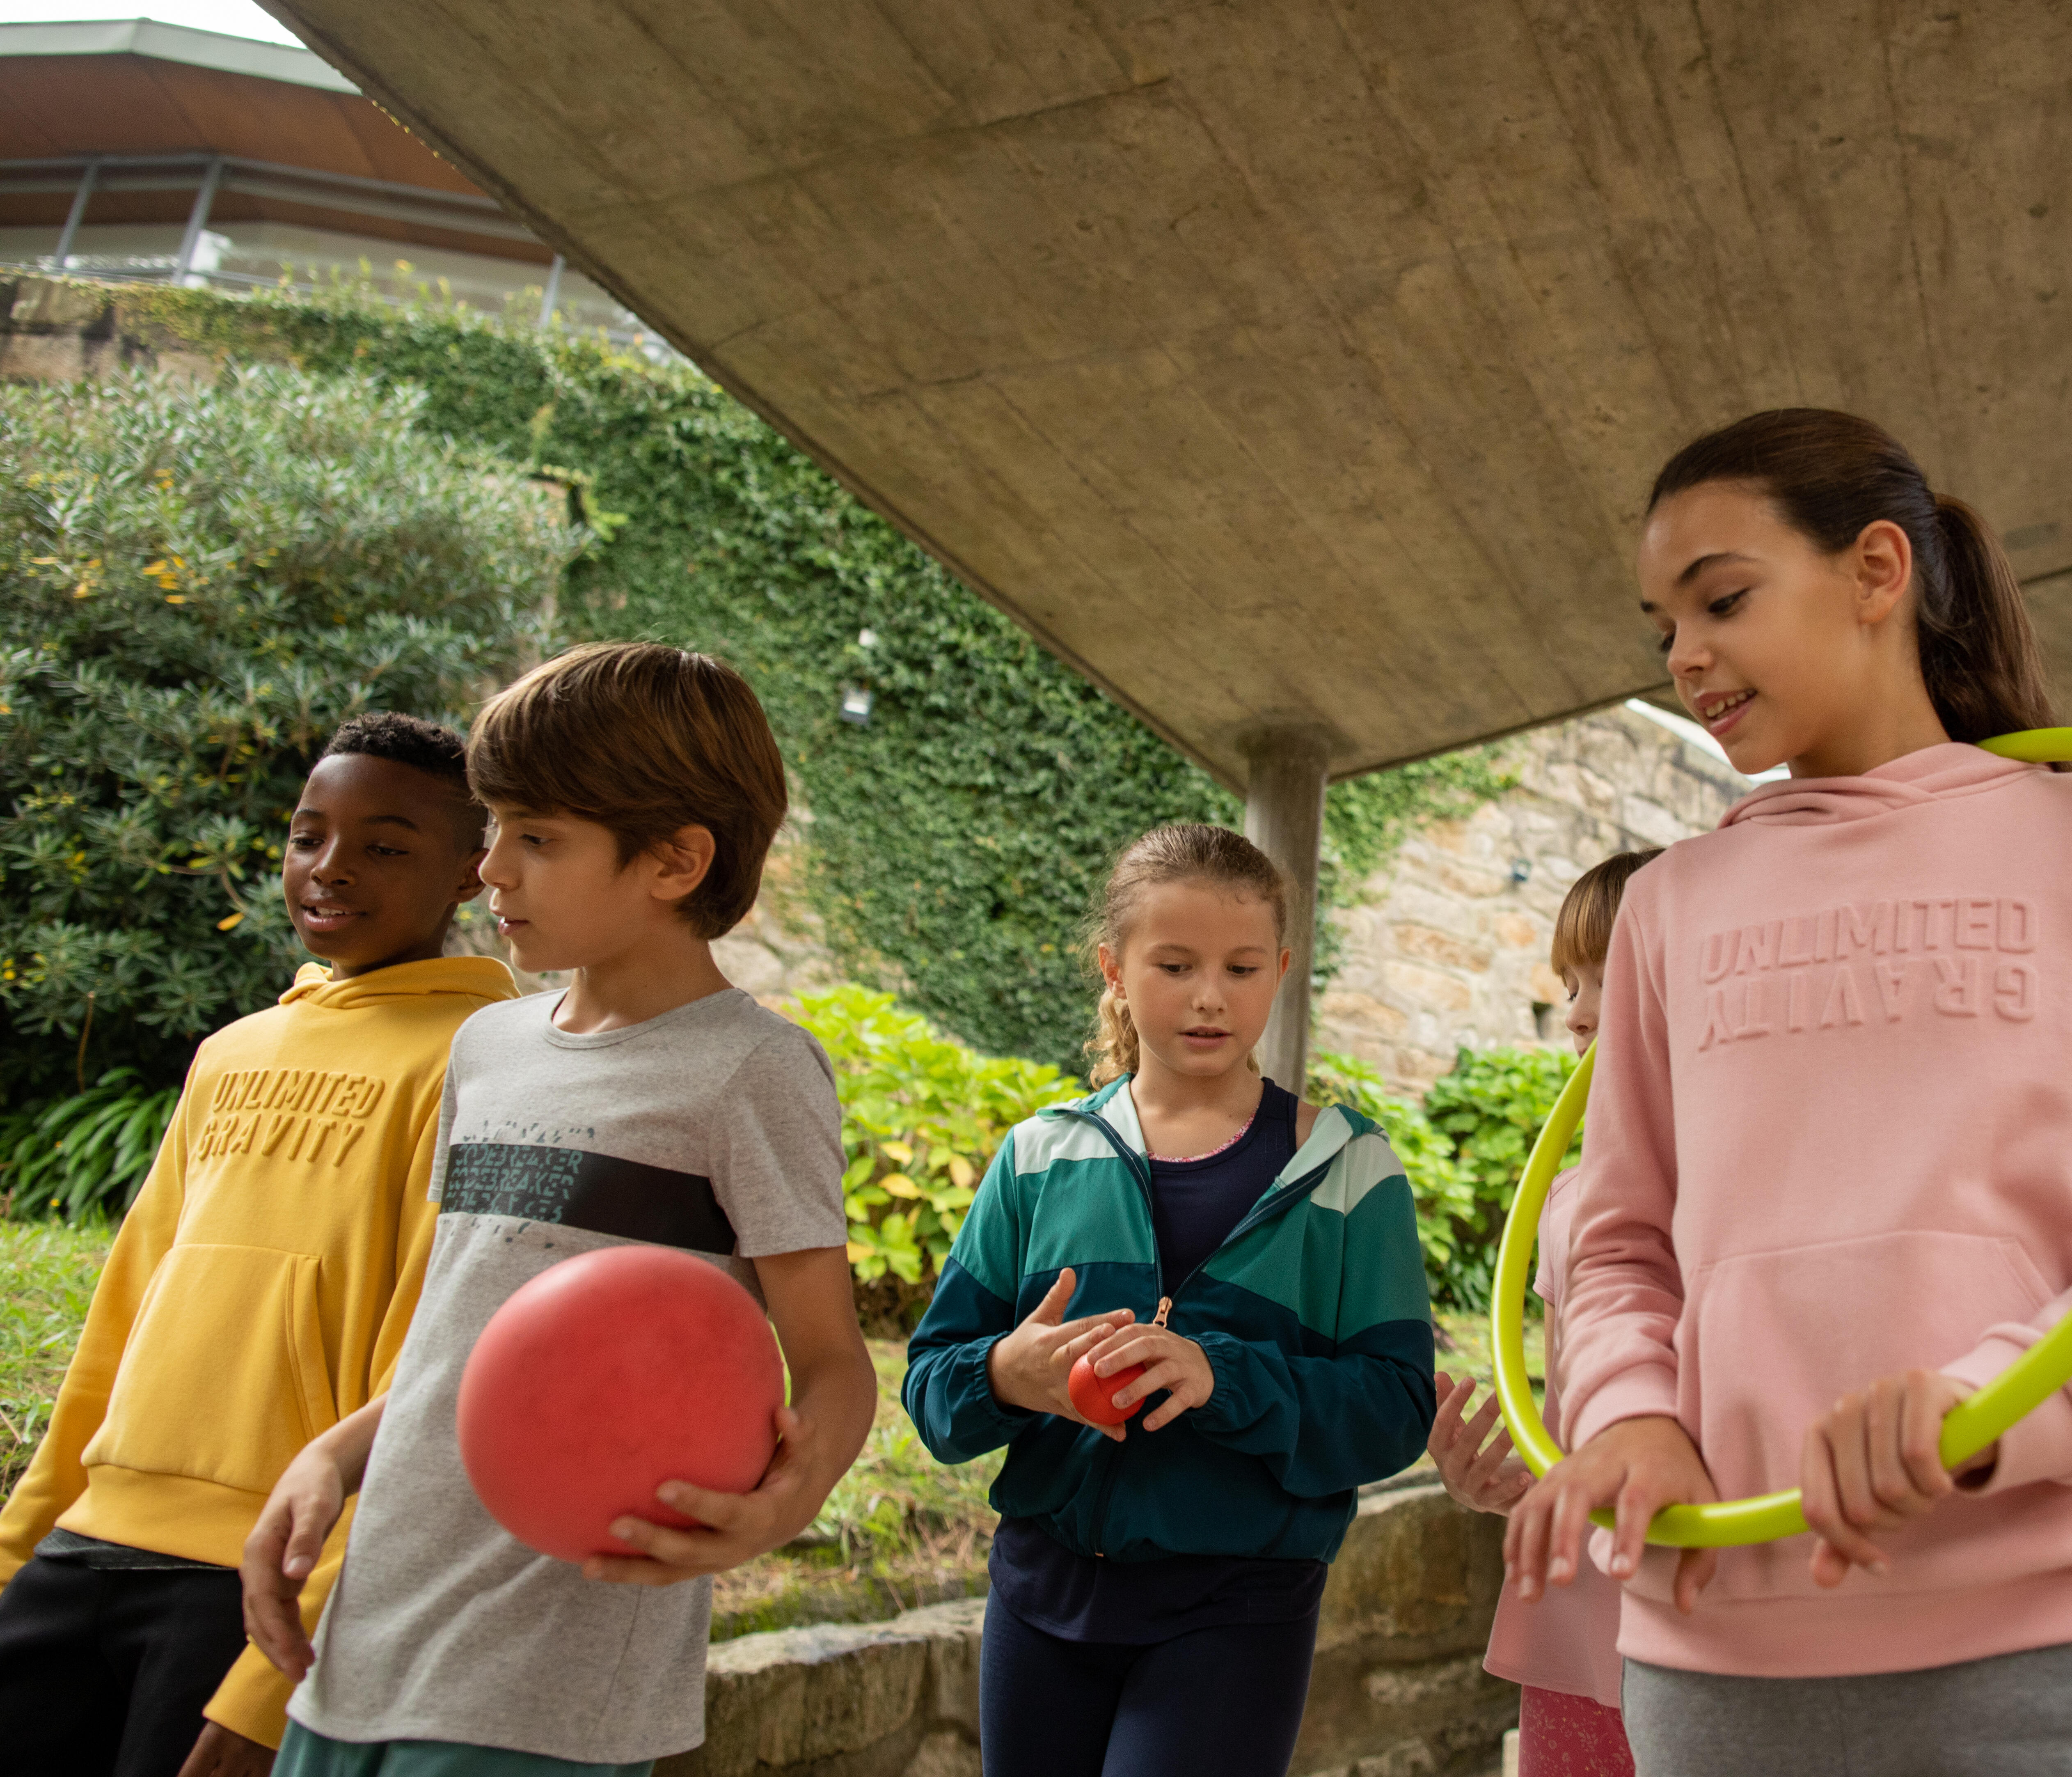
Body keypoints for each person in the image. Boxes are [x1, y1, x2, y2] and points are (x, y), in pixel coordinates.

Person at [1505, 409, 2072, 1776]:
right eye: (1662, 624)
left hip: (2055, 1652)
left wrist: (1992, 1408)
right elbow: (1614, 1244)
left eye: (1722, 600)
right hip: (1711, 1664)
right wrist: (1633, 1418)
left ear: (1878, 572)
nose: (1685, 657)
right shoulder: (1666, 908)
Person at [238, 643, 875, 1777]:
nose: (491, 872)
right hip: (361, 1655)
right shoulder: (484, 1049)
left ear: (676, 860)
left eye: (537, 838)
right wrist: (328, 1463)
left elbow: (832, 1362)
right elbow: (460, 1340)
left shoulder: (752, 1072)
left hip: (548, 1693)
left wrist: (782, 1506)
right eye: (493, 830)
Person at [0, 713, 512, 1777]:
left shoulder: (482, 1069)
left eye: (384, 846)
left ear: (474, 871)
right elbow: (121, 1319)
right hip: (85, 1541)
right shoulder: (230, 1053)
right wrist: (18, 1551)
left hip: (255, 1577)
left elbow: (427, 1382)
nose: (330, 869)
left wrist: (272, 1681)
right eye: (306, 836)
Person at [905, 823, 1435, 1777]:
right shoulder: (1038, 1156)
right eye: (1174, 963)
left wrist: (1219, 1374)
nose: (1208, 996)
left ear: (1278, 971)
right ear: (1114, 968)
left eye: (1239, 968)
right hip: (1038, 1598)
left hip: (1239, 1609)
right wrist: (1006, 1374)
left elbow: (1397, 1409)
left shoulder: (1350, 1170)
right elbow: (932, 1390)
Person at [1431, 849, 1658, 1777]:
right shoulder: (1567, 1198)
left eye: (1612, 974)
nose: (1578, 1012)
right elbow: (1573, 1417)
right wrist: (1509, 1482)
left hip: (1726, 1622)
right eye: (1571, 982)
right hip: (1582, 1624)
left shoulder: (1772, 1188)